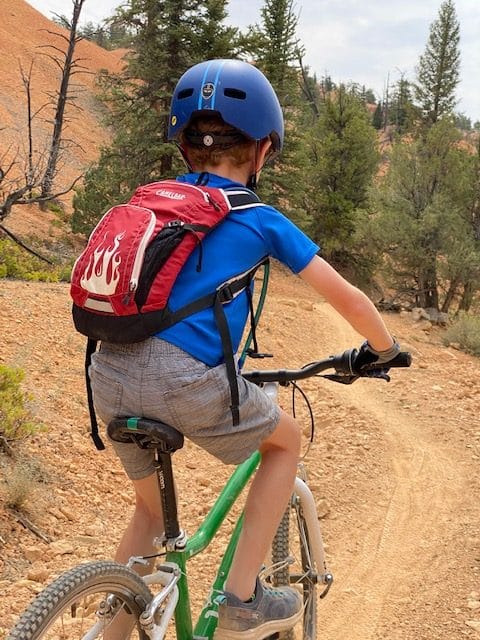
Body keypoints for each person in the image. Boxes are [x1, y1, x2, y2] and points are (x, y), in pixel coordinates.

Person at [89, 58, 402, 640]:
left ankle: (106, 633)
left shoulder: (151, 202)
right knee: (286, 442)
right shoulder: (258, 218)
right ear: (261, 150)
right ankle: (240, 600)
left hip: (107, 373)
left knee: (150, 513)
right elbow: (349, 299)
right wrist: (383, 349)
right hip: (184, 382)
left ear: (185, 146)